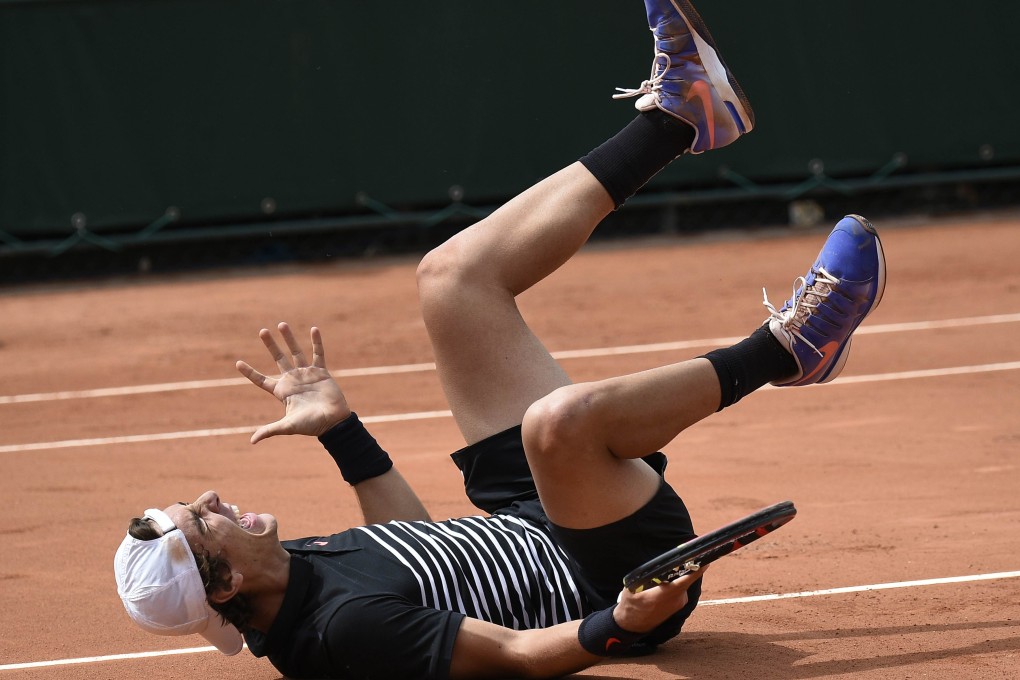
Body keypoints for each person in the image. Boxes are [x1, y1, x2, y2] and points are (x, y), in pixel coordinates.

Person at [114, 1, 886, 678]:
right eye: (200, 519)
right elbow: (514, 658)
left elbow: (416, 550)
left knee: (451, 279)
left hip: (526, 509)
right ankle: (790, 348)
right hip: (607, 572)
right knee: (558, 424)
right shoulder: (344, 629)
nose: (212, 499)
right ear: (221, 589)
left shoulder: (285, 572)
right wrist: (620, 625)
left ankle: (681, 117)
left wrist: (343, 432)